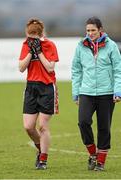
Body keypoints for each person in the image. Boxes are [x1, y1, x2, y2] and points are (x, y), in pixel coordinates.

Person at [71, 17, 121, 171]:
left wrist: (117, 90)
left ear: (100, 30)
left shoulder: (111, 46)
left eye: (93, 30)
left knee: (104, 127)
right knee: (83, 122)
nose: (90, 33)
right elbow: (76, 70)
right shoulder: (81, 46)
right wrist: (76, 93)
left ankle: (101, 162)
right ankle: (93, 153)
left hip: (107, 93)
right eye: (88, 30)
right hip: (86, 92)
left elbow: (118, 70)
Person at [19, 18, 59, 170]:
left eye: (35, 34)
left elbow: (50, 68)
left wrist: (40, 51)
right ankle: (39, 149)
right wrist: (30, 51)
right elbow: (21, 68)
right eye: (30, 34)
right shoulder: (25, 45)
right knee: (29, 127)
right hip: (31, 88)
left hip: (47, 87)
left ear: (40, 33)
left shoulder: (50, 45)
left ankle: (43, 159)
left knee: (42, 126)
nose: (32, 37)